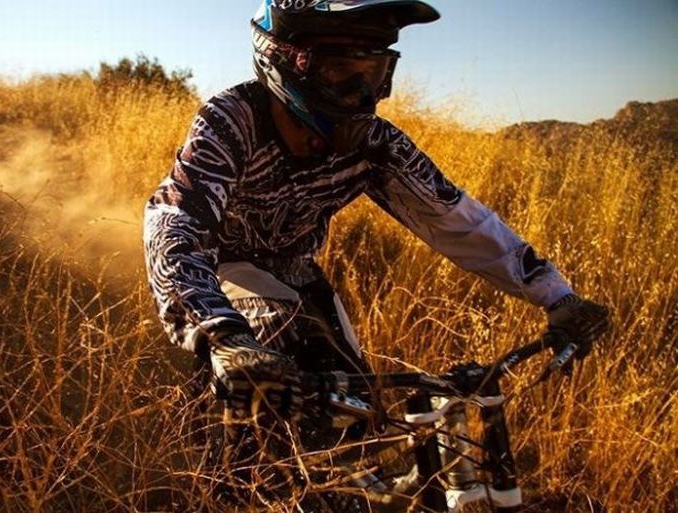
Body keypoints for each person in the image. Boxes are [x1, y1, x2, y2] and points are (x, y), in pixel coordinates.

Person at [143, 0, 610, 509]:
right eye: (341, 71)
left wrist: (557, 296)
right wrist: (222, 336)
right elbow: (174, 221)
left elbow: (454, 218)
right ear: (285, 58)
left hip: (300, 273)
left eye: (374, 72)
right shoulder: (232, 120)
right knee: (283, 399)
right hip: (225, 272)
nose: (363, 93)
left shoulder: (372, 141)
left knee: (356, 413)